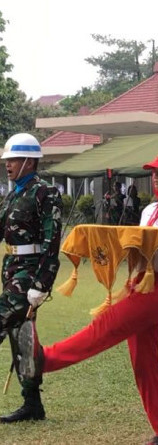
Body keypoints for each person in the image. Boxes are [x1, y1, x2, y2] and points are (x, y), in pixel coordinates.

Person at [17, 147, 158, 444]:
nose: (155, 175)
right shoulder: (149, 211)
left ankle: (44, 360)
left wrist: (157, 243)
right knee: (145, 362)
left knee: (107, 324)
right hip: (141, 282)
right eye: (154, 170)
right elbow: (139, 253)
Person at [0, 133, 62, 423]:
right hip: (12, 267)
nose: (7, 165)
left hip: (29, 273)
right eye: (6, 160)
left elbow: (52, 241)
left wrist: (42, 283)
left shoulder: (45, 192)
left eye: (12, 159)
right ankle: (32, 405)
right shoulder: (13, 194)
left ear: (28, 161)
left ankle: (31, 403)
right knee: (22, 338)